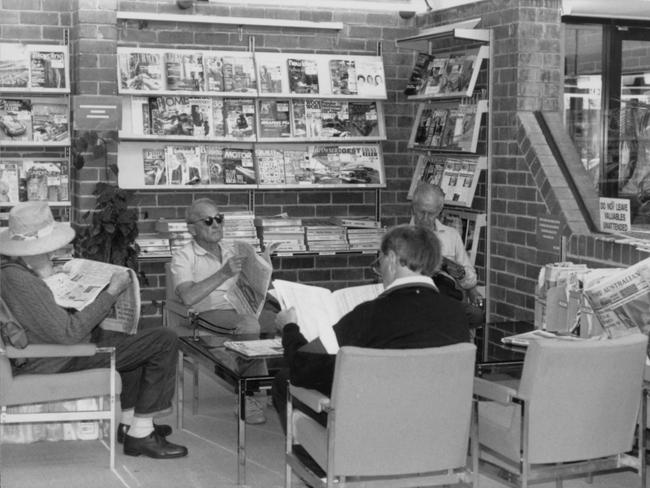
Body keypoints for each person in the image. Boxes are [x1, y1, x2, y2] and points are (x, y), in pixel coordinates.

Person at [0, 202, 187, 459]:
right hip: (58, 358)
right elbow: (69, 333)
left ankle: (130, 424)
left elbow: (46, 317)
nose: (53, 251)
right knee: (164, 340)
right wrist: (110, 293)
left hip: (57, 349)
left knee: (132, 340)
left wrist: (51, 278)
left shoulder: (16, 271)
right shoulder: (20, 280)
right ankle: (142, 434)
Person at [271, 224, 470, 434]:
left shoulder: (368, 315)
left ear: (392, 259)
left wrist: (290, 328)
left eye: (380, 259)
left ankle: (323, 462)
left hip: (374, 435)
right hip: (437, 434)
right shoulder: (457, 314)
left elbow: (301, 366)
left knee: (284, 379)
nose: (380, 267)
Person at [170, 197, 278, 424]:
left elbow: (250, 284)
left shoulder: (233, 249)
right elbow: (188, 296)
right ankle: (250, 396)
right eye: (208, 221)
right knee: (250, 325)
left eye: (219, 219)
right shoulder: (183, 256)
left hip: (241, 308)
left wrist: (263, 269)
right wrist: (223, 273)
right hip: (207, 314)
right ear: (192, 229)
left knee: (286, 321)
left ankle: (279, 386)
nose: (216, 225)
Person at [410, 182, 484, 327]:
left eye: (431, 213)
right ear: (413, 208)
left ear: (439, 211)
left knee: (475, 315)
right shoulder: (401, 236)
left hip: (446, 296)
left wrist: (459, 272)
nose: (425, 218)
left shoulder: (451, 235)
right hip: (415, 297)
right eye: (421, 212)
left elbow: (469, 280)